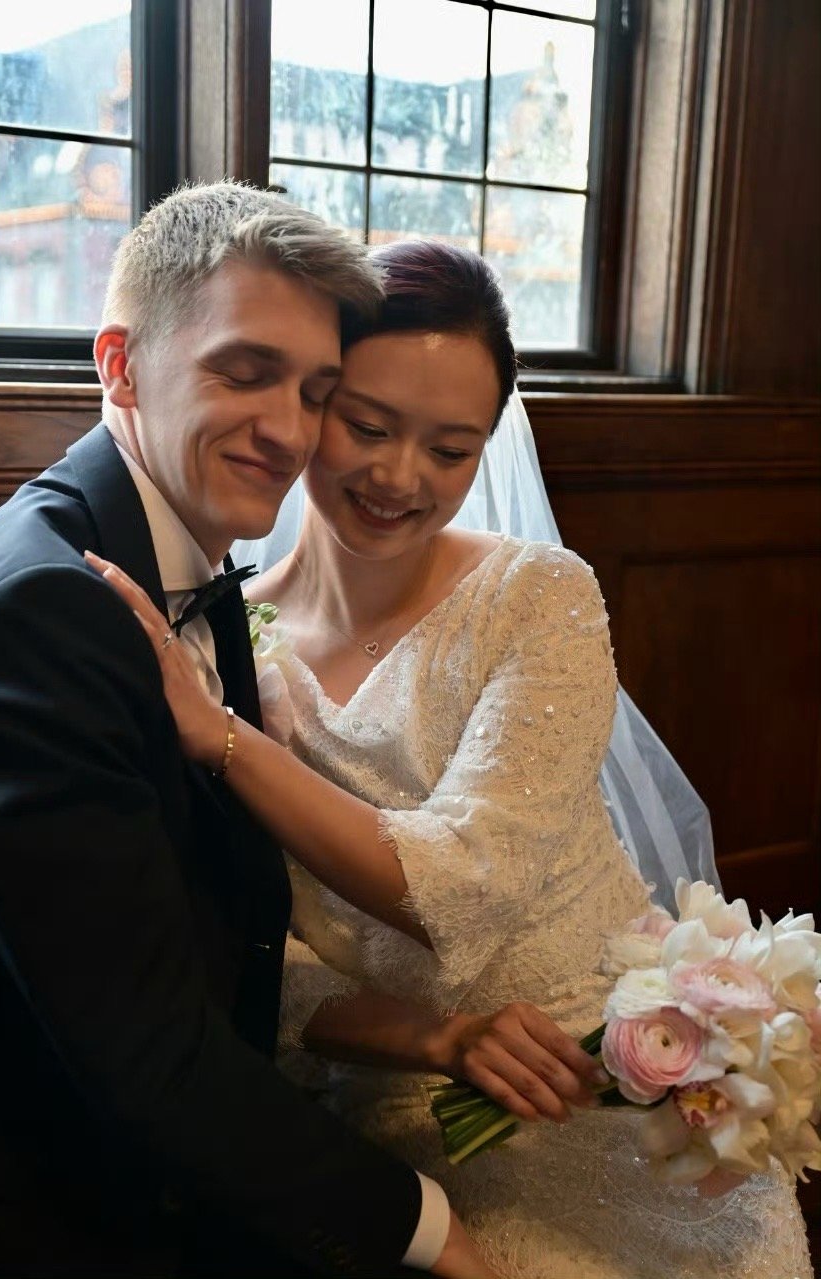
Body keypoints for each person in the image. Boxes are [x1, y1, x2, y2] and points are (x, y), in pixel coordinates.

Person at [0, 183, 606, 1278]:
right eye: (244, 372)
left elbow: (233, 927)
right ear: (120, 365)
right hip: (18, 1193)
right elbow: (149, 1047)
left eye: (313, 392)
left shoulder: (184, 579)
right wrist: (428, 1229)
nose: (288, 429)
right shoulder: (47, 611)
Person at [104, 240, 812, 1278]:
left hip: (614, 1087)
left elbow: (469, 886)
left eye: (450, 449)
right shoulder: (226, 639)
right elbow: (255, 958)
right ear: (313, 401)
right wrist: (432, 1040)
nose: (401, 477)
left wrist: (222, 739)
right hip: (405, 1117)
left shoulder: (540, 597)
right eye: (367, 426)